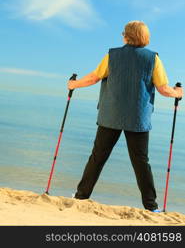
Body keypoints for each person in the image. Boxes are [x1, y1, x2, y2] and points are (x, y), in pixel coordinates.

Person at [68, 20, 183, 211]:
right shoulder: (153, 59)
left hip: (110, 115)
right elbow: (164, 89)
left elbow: (94, 78)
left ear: (127, 35)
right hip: (137, 118)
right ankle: (151, 206)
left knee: (98, 157)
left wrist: (73, 84)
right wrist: (178, 93)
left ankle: (81, 197)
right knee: (141, 162)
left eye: (123, 32)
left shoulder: (112, 55)